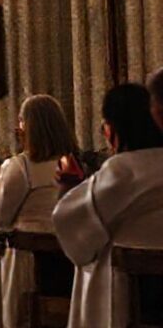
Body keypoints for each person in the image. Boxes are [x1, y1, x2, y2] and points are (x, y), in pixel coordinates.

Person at [53, 83, 163, 328]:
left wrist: (69, 187)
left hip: (130, 302)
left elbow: (71, 230)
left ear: (113, 129)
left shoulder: (121, 171)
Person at [0, 95, 76, 327]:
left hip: (29, 257)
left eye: (21, 122)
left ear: (31, 127)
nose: (18, 129)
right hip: (68, 256)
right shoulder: (75, 163)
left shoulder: (21, 166)